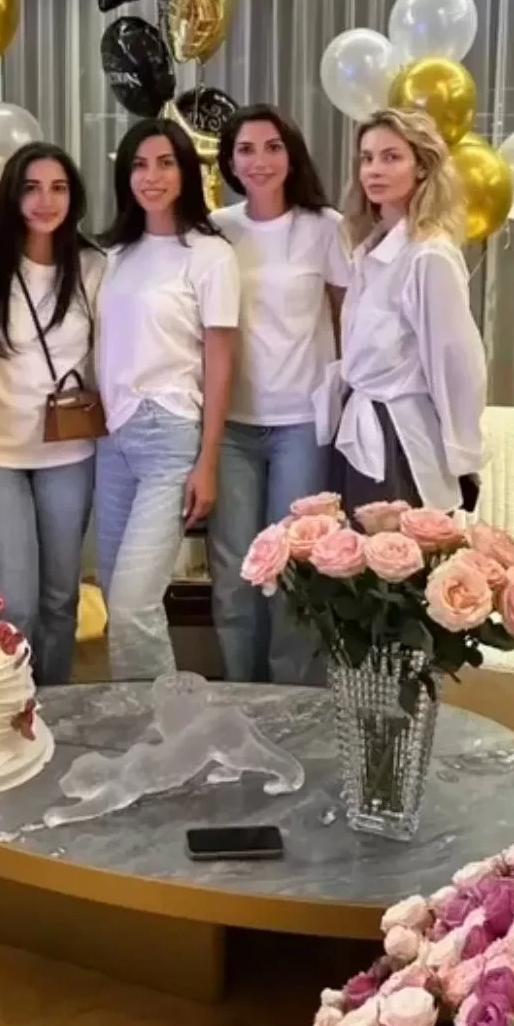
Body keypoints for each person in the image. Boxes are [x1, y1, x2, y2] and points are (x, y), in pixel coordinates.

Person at [207, 104, 352, 684]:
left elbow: (347, 321)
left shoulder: (325, 227)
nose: (259, 161)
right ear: (229, 161)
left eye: (272, 147)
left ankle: (291, 701)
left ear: (291, 155)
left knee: (293, 569)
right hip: (231, 427)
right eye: (245, 149)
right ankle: (240, 695)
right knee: (235, 572)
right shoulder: (216, 228)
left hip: (301, 424)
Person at [95, 117, 240, 680]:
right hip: (112, 437)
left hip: (170, 435)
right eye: (138, 165)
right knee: (117, 596)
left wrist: (209, 460)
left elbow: (220, 363)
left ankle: (163, 723)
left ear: (186, 172)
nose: (150, 176)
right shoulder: (113, 254)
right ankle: (139, 714)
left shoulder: (210, 255)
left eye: (164, 163)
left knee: (135, 604)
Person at [0, 143, 105, 686]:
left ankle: (54, 707)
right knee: (12, 603)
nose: (46, 200)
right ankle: (9, 709)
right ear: (11, 196)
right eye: (31, 188)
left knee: (60, 598)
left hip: (69, 452)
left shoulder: (94, 268)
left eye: (58, 188)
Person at [316, 107, 486, 516]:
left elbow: (456, 363)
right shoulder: (368, 249)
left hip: (399, 439)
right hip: (357, 427)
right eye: (367, 158)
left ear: (422, 166)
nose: (374, 170)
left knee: (393, 555)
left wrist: (464, 456)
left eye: (391, 157)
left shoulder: (429, 256)